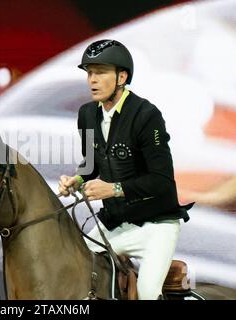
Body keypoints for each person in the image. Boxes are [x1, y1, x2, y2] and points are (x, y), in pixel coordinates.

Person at [58, 39, 193, 300]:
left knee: (147, 292)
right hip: (116, 223)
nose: (92, 80)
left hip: (157, 225)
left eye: (100, 72)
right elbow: (90, 166)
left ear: (122, 77)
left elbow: (162, 181)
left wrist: (114, 189)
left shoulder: (146, 115)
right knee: (71, 268)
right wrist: (74, 181)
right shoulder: (87, 114)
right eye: (89, 73)